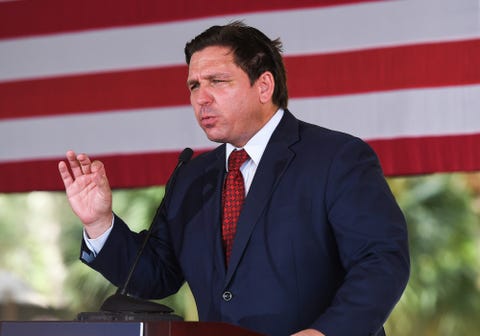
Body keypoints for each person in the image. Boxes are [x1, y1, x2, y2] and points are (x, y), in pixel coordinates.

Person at [58, 21, 409, 336]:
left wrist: (325, 334)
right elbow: (156, 275)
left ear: (264, 86)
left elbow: (381, 262)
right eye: (193, 85)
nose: (201, 99)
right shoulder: (192, 177)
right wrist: (100, 223)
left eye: (217, 82)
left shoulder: (336, 158)